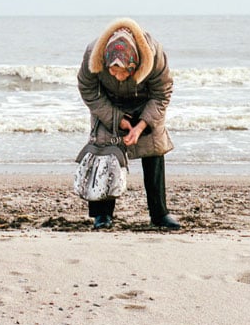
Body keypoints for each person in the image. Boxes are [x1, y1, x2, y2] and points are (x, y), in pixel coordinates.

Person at [77, 18, 181, 230]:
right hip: (108, 105)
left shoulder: (154, 53)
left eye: (123, 71)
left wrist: (142, 125)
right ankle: (102, 215)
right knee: (104, 153)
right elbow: (87, 89)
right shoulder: (93, 53)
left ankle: (159, 214)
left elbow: (162, 93)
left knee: (154, 153)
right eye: (113, 71)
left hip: (146, 104)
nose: (118, 76)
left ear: (134, 63)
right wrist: (116, 119)